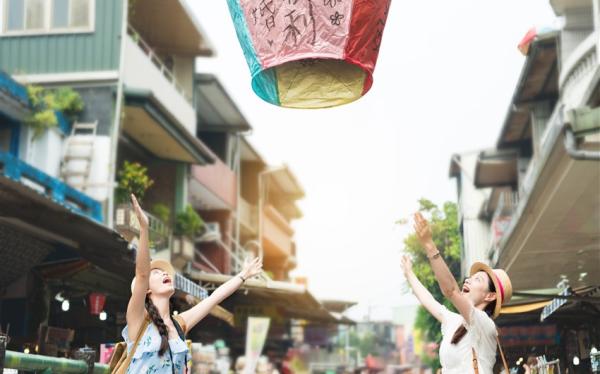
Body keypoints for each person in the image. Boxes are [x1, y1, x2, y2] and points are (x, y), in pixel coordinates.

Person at [124, 194, 263, 373]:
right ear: (147, 290)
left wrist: (243, 275)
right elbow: (142, 274)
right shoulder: (138, 319)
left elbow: (214, 298)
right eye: (156, 273)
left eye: (164, 271)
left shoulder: (179, 324)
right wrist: (144, 229)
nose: (165, 273)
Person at [400, 212, 513, 374]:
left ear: (490, 296)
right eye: (470, 277)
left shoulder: (485, 324)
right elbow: (428, 300)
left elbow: (450, 290)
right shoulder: (454, 322)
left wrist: (429, 245)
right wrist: (409, 274)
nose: (468, 280)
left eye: (478, 279)